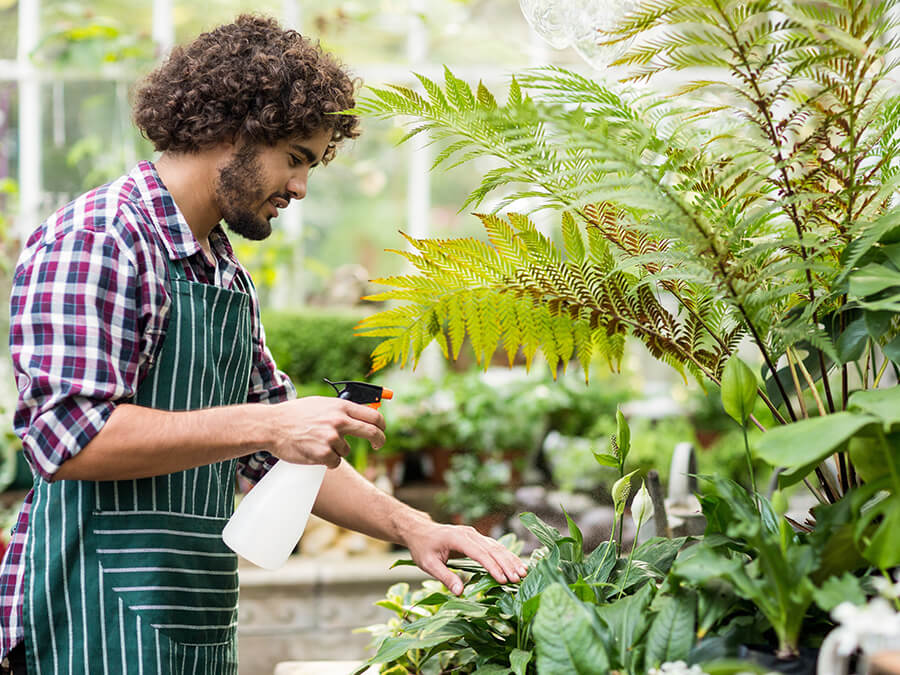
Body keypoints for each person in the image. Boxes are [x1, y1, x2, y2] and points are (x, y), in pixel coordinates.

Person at [0, 15, 526, 674]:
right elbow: (66, 436)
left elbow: (276, 459)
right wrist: (273, 422)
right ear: (231, 130)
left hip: (190, 623)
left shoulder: (224, 273)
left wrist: (413, 526)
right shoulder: (100, 240)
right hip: (85, 623)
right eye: (296, 158)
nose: (301, 186)